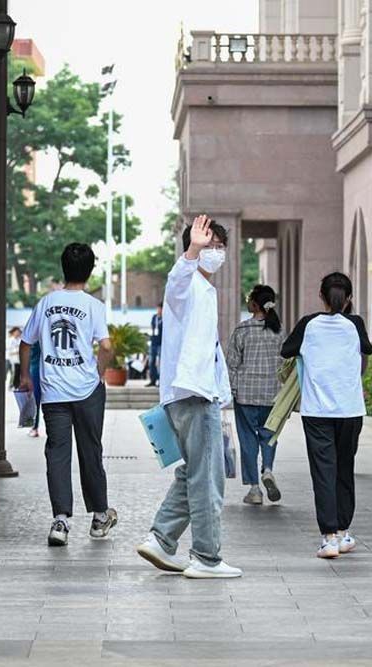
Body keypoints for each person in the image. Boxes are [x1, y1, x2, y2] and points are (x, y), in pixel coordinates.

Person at [136, 215, 243, 579]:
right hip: (193, 396)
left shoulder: (204, 290)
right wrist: (193, 250)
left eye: (219, 247)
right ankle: (206, 558)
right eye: (210, 246)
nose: (217, 253)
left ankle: (161, 539)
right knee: (208, 477)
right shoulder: (188, 284)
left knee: (193, 473)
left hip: (191, 395)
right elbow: (176, 280)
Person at [19, 243, 118, 547]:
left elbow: (26, 342)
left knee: (57, 454)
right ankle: (100, 516)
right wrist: (99, 372)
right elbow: (106, 346)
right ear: (90, 271)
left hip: (54, 393)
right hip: (87, 389)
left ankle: (60, 521)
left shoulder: (46, 303)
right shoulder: (93, 306)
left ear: (63, 268)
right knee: (91, 451)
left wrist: (25, 376)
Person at [281, 273, 372, 559]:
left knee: (324, 471)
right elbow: (368, 349)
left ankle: (329, 538)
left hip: (317, 411)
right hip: (350, 410)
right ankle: (345, 533)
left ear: (321, 296)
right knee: (344, 469)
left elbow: (287, 350)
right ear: (348, 299)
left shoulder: (308, 324)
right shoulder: (355, 324)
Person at [226, 285, 284, 506]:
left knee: (248, 439)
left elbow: (231, 364)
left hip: (245, 395)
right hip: (272, 395)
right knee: (269, 436)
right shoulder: (279, 331)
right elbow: (286, 364)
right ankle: (268, 469)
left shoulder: (242, 330)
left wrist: (231, 389)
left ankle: (254, 489)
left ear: (254, 305)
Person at [28, 341, 42, 438]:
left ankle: (34, 427)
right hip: (49, 370)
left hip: (35, 370)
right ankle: (34, 427)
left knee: (35, 401)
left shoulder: (33, 339)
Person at [148, 303, 163, 386]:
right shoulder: (154, 317)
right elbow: (152, 326)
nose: (158, 310)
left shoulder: (165, 318)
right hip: (153, 341)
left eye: (160, 309)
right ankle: (152, 379)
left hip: (161, 342)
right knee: (152, 361)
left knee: (160, 362)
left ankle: (160, 379)